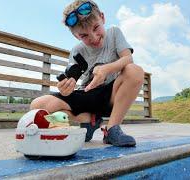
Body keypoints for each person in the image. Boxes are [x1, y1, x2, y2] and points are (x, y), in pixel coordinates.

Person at [30, 0, 144, 147]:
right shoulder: (77, 51)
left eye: (96, 28)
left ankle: (112, 129)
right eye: (84, 35)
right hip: (88, 93)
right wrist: (66, 89)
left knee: (134, 70)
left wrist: (106, 69)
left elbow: (128, 58)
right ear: (76, 36)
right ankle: (89, 120)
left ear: (102, 18)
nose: (93, 37)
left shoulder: (114, 33)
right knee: (37, 105)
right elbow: (73, 76)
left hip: (112, 94)